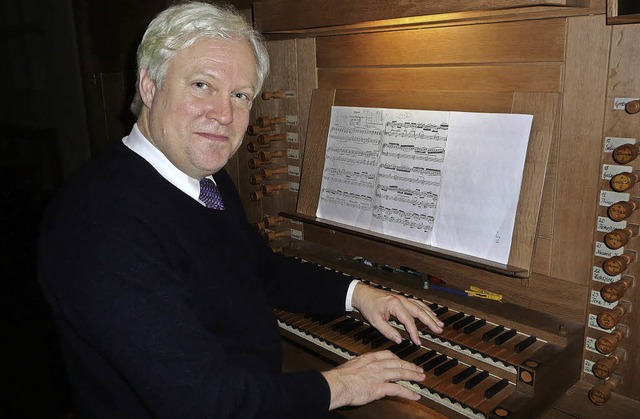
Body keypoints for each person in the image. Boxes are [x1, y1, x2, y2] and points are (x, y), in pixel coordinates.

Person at [38, 1, 444, 418]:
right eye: (201, 85)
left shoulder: (201, 178)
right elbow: (202, 402)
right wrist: (337, 385)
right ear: (149, 85)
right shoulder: (101, 226)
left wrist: (359, 294)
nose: (224, 115)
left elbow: (256, 267)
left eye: (239, 95)